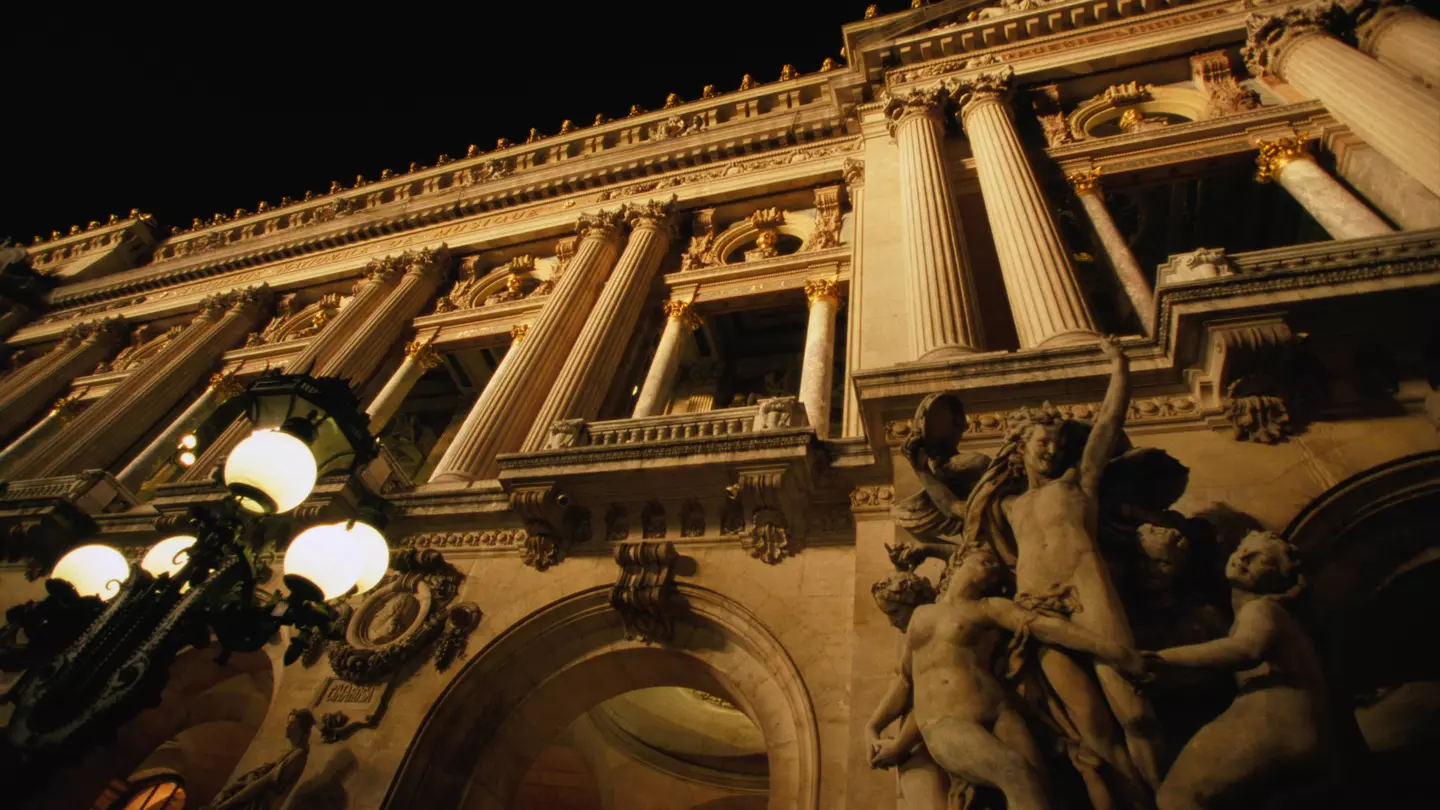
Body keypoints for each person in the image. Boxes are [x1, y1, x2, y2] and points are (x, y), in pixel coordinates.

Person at [874, 542, 1145, 810]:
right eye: (984, 561)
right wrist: (874, 728)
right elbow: (909, 682)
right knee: (1016, 775)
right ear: (958, 564)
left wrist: (1113, 650)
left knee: (1040, 789)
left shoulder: (992, 608)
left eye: (995, 567)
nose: (991, 569)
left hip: (1001, 712)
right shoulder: (923, 614)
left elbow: (1050, 628)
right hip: (946, 719)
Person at [1147, 531, 1334, 810]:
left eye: (1263, 560)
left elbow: (1245, 650)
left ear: (1281, 579)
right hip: (1295, 730)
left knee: (1178, 797)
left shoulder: (1261, 609)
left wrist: (1161, 659)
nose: (1244, 558)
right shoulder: (1250, 614)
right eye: (1243, 548)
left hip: (1274, 720)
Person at [868, 571, 947, 810]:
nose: (892, 622)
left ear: (916, 604)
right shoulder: (913, 638)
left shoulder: (935, 634)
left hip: (935, 732)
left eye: (894, 613)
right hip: (918, 735)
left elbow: (930, 694)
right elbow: (904, 683)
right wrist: (872, 726)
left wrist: (901, 744)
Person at [206, 709, 314, 810]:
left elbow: (264, 782)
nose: (287, 727)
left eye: (292, 724)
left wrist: (227, 804)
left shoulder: (298, 755)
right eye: (288, 723)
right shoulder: (292, 752)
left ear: (302, 730)